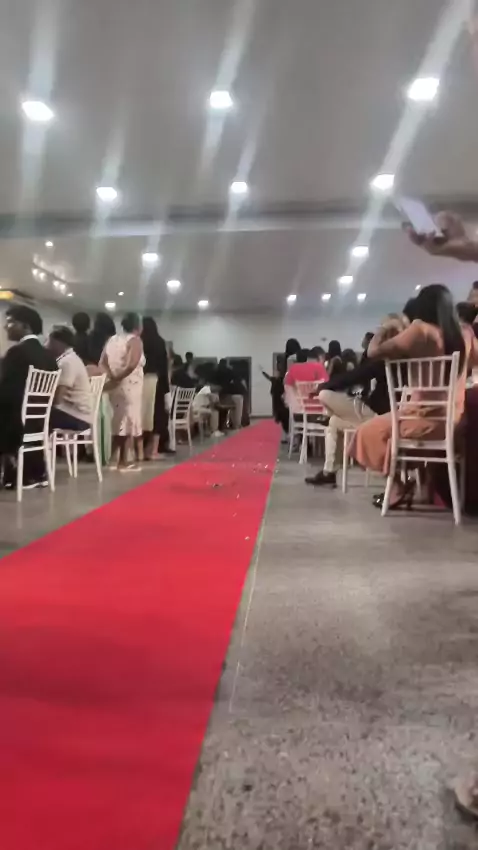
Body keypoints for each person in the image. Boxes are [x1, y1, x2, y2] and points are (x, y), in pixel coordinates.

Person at [351, 284, 478, 508]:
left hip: (422, 419)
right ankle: (412, 483)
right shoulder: (465, 333)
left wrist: (384, 328)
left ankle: (399, 485)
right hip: (456, 421)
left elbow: (373, 352)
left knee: (365, 433)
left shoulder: (421, 331)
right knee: (389, 434)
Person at [0, 306, 58, 488]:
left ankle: (12, 469)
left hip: (16, 422)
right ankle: (31, 472)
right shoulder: (49, 356)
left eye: (10, 322)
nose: (5, 327)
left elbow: (7, 392)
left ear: (25, 326)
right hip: (40, 421)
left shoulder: (16, 353)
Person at [101, 312, 145, 471]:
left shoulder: (112, 340)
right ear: (138, 326)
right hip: (130, 384)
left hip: (114, 385)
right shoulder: (135, 340)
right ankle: (122, 461)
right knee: (128, 421)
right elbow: (132, 363)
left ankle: (115, 459)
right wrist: (120, 377)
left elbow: (102, 362)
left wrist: (112, 376)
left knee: (118, 420)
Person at [47, 326, 93, 431]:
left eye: (49, 341)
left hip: (76, 417)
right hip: (81, 415)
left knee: (35, 415)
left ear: (58, 342)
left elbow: (58, 399)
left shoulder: (66, 362)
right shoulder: (72, 358)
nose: (46, 345)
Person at [141, 316, 172, 459]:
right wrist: (167, 390)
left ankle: (139, 450)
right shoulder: (159, 342)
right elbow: (163, 368)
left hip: (141, 382)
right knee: (158, 416)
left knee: (142, 417)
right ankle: (153, 450)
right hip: (157, 382)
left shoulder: (139, 342)